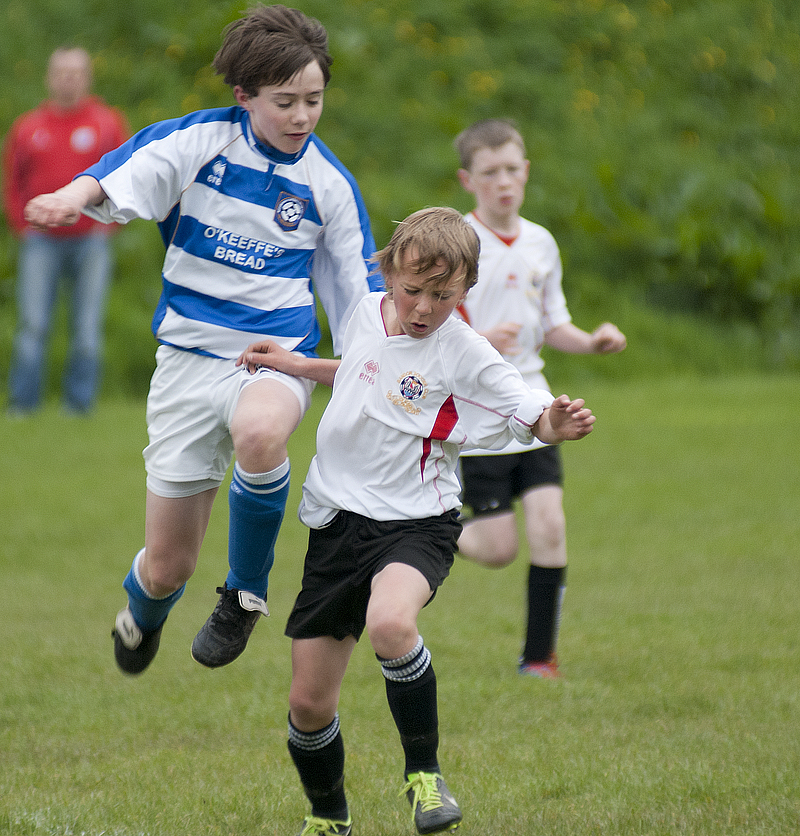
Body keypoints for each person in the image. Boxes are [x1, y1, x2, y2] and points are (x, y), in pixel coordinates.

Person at [23, 4, 382, 676]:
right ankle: (143, 614)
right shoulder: (198, 143)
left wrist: (392, 344)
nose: (303, 115)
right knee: (167, 566)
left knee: (262, 434)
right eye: (285, 102)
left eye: (314, 99)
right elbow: (125, 170)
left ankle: (243, 595)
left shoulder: (329, 186)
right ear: (244, 96)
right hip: (187, 362)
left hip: (273, 356)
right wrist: (73, 197)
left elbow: (360, 290)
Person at [236, 206, 596, 836]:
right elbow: (361, 374)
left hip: (415, 524)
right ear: (388, 274)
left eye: (444, 295)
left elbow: (522, 400)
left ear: (466, 292)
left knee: (391, 623)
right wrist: (294, 365)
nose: (425, 308)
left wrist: (551, 424)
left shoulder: (463, 350)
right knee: (308, 703)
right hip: (336, 524)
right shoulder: (363, 312)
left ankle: (424, 778)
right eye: (412, 292)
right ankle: (328, 817)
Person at [452, 118, 626, 679]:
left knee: (550, 525)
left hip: (537, 406)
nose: (503, 182)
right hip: (480, 417)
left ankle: (539, 660)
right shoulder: (456, 240)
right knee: (500, 548)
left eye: (511, 169)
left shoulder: (540, 242)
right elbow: (426, 329)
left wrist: (591, 342)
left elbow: (554, 324)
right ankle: (430, 526)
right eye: (490, 173)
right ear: (467, 180)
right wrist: (480, 341)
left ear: (525, 172)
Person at [3, 46, 129, 415]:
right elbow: (13, 180)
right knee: (33, 325)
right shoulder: (29, 127)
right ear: (49, 77)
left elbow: (125, 175)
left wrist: (113, 223)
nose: (68, 80)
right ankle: (22, 405)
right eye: (61, 72)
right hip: (40, 240)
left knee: (87, 329)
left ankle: (78, 406)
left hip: (91, 239)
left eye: (76, 73)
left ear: (87, 78)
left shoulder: (107, 124)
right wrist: (21, 225)